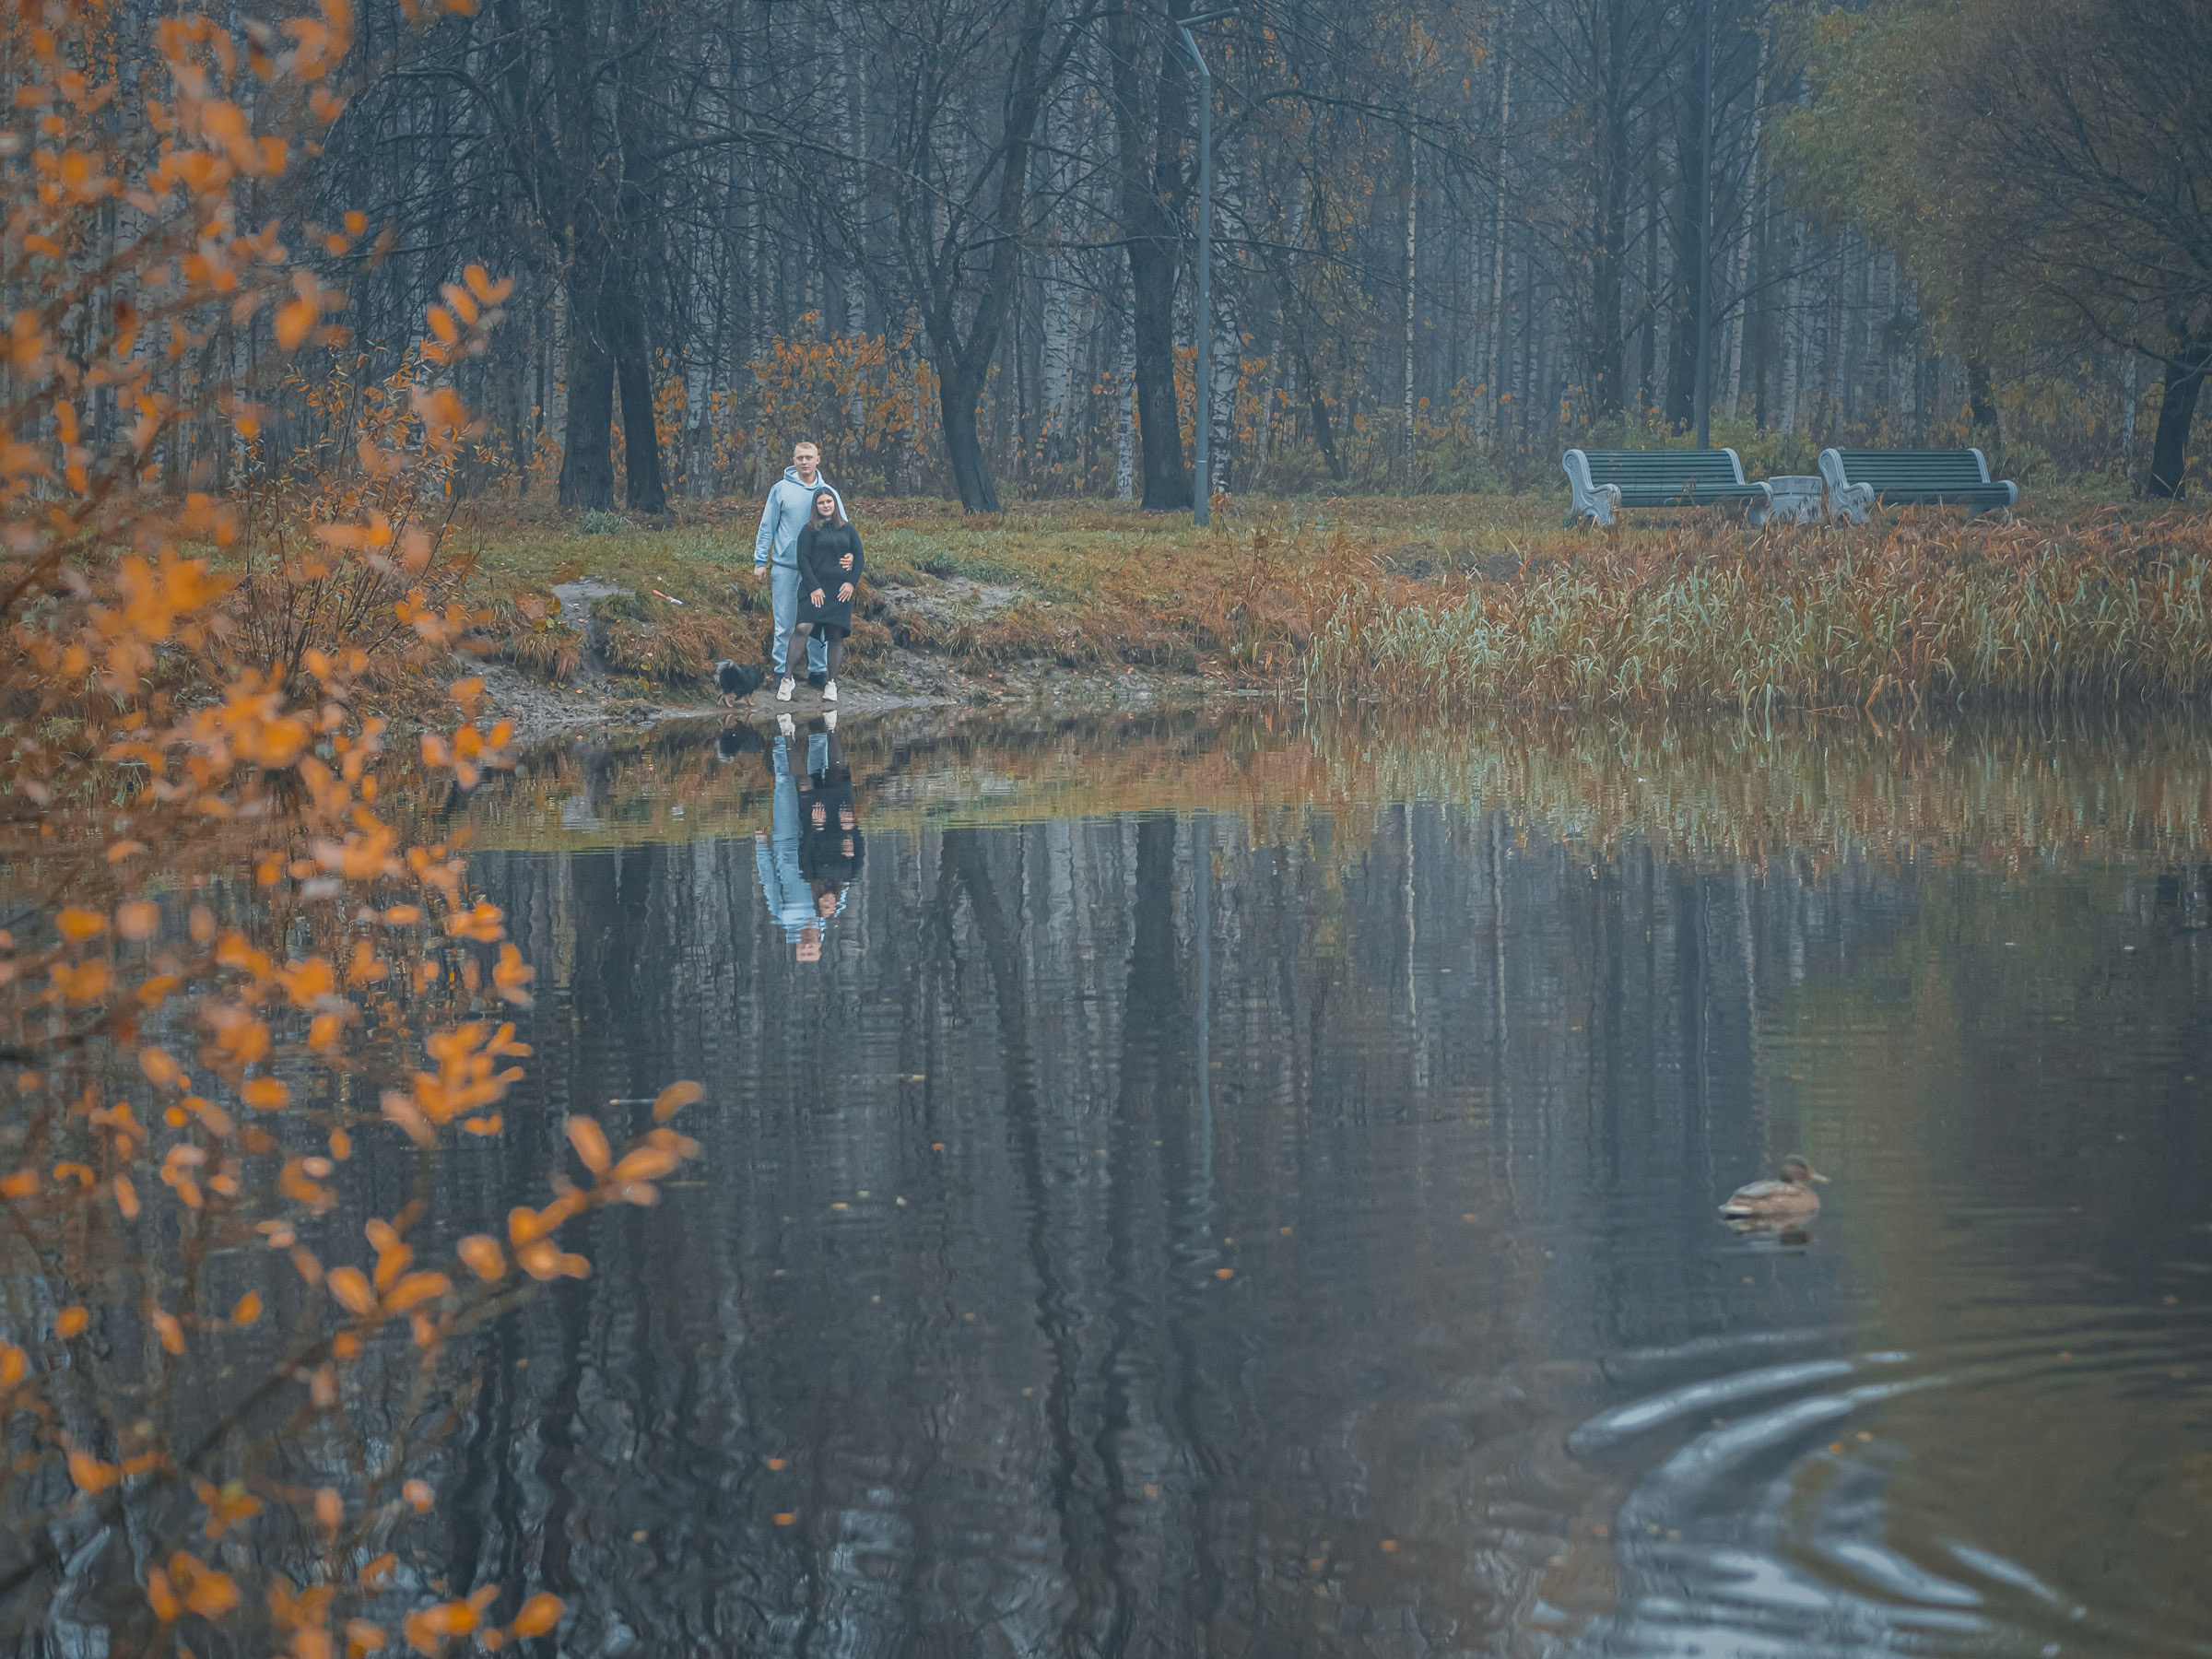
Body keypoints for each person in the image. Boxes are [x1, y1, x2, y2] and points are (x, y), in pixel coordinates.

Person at [753, 441, 847, 688]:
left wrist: (847, 556)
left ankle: (818, 671)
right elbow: (767, 526)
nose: (804, 462)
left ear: (818, 459)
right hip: (786, 566)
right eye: (799, 458)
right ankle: (781, 672)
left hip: (821, 572)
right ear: (793, 460)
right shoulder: (780, 490)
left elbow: (843, 529)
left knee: (818, 623)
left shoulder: (829, 493)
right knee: (785, 623)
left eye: (808, 457)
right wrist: (760, 561)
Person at [777, 487, 865, 705]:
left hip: (839, 591)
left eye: (829, 502)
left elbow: (860, 557)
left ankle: (831, 683)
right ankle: (787, 679)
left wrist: (851, 583)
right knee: (802, 628)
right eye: (821, 503)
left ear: (835, 504)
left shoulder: (847, 529)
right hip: (813, 588)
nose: (825, 505)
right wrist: (814, 587)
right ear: (815, 507)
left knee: (835, 634)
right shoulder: (808, 530)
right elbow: (803, 560)